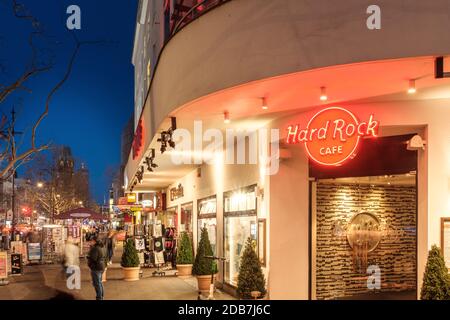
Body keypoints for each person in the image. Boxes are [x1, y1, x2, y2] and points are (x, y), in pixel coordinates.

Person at [87, 236, 106, 300]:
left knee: (97, 284)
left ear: (95, 241)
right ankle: (102, 296)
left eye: (91, 241)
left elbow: (93, 258)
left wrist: (89, 260)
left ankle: (99, 297)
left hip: (96, 267)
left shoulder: (95, 248)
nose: (90, 242)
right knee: (99, 283)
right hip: (101, 266)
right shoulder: (101, 247)